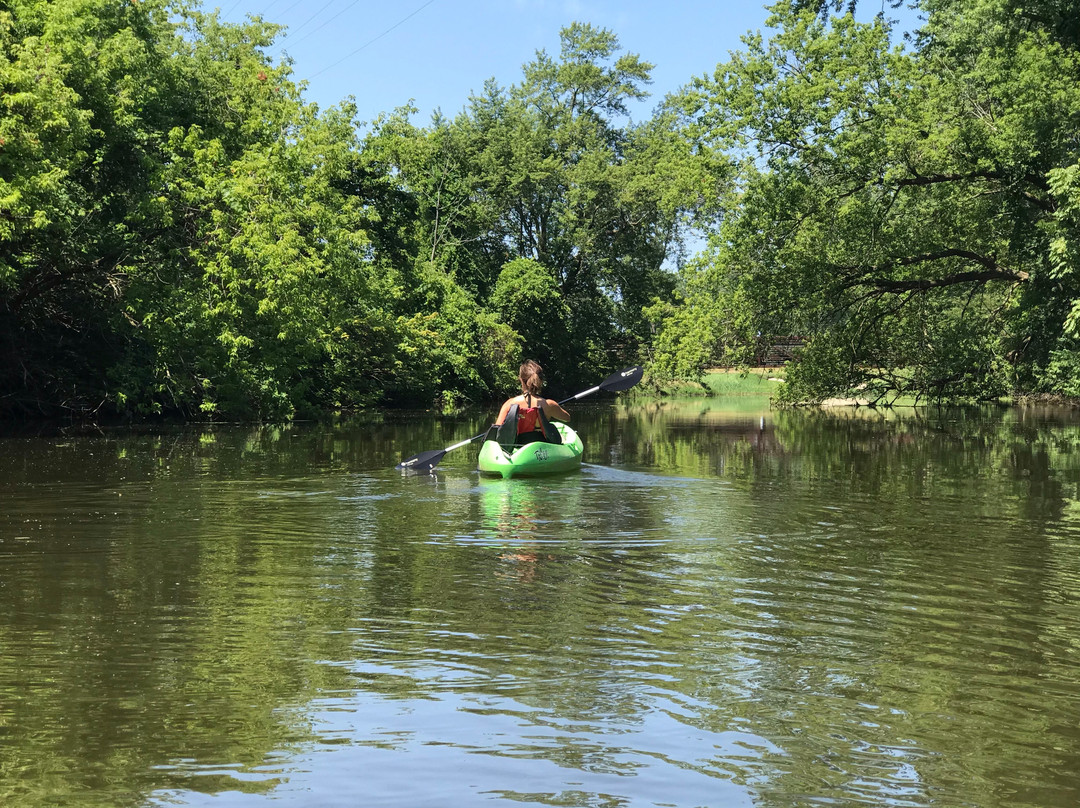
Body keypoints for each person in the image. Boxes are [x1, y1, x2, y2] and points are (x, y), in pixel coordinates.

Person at [494, 360, 570, 445]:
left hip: (517, 446)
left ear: (521, 379)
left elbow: (497, 428)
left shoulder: (509, 403)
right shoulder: (549, 405)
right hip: (541, 447)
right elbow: (567, 418)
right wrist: (555, 407)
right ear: (540, 380)